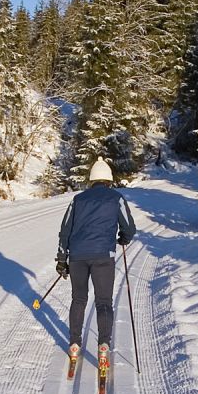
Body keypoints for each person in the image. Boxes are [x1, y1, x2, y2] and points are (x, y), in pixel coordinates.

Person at [56, 158, 136, 382]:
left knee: (79, 299)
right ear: (109, 180)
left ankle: (74, 344)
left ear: (91, 180)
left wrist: (62, 259)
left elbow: (65, 230)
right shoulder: (116, 198)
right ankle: (103, 346)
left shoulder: (78, 199)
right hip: (103, 257)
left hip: (77, 257)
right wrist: (123, 239)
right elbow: (130, 228)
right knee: (103, 302)